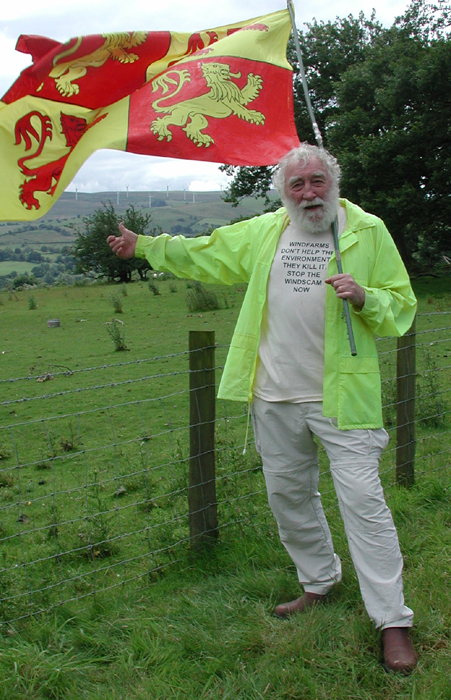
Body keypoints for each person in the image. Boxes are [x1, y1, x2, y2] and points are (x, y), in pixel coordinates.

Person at [107, 144, 418, 674]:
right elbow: (205, 250)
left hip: (343, 397)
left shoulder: (367, 231)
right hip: (272, 393)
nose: (309, 193)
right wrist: (145, 247)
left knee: (364, 504)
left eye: (317, 181)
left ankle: (393, 622)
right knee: (288, 495)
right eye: (297, 186)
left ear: (333, 181)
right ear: (284, 192)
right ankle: (319, 582)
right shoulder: (267, 230)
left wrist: (367, 298)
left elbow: (402, 306)